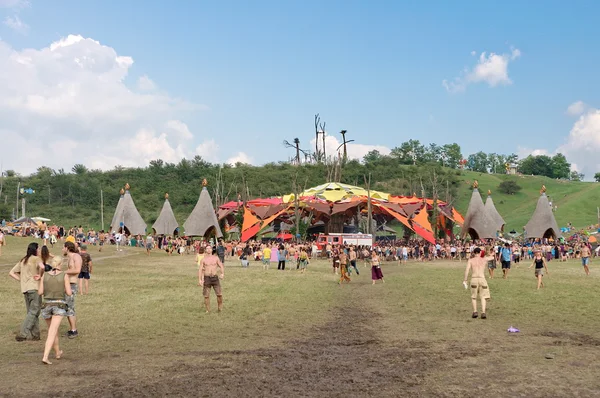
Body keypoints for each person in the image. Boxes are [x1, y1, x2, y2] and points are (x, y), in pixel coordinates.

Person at [38, 257, 72, 365]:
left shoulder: (45, 275)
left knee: (53, 330)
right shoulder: (64, 275)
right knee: (52, 331)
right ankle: (45, 356)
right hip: (59, 305)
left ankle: (57, 352)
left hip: (46, 305)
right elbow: (69, 292)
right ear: (60, 264)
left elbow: (40, 292)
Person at [9, 242, 45, 341]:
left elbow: (11, 272)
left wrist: (21, 279)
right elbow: (42, 267)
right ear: (35, 249)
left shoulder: (23, 260)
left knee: (32, 312)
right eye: (38, 249)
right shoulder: (36, 259)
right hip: (34, 287)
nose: (39, 251)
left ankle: (35, 335)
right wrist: (41, 275)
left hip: (25, 288)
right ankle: (23, 333)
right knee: (34, 311)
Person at [463, 247, 493, 319]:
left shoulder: (471, 260)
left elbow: (467, 270)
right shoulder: (484, 259)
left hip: (474, 279)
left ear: (474, 253)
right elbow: (492, 257)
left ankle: (475, 311)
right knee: (483, 296)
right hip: (482, 279)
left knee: (474, 297)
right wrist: (486, 252)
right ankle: (483, 312)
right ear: (480, 252)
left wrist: (465, 280)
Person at [63, 242, 82, 338]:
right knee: (67, 307)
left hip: (72, 285)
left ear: (67, 248)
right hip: (67, 284)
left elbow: (77, 270)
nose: (62, 249)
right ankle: (71, 329)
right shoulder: (69, 258)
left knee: (70, 307)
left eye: (63, 247)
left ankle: (74, 330)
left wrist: (63, 272)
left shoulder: (76, 257)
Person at [198, 245, 225, 313]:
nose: (209, 250)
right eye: (207, 248)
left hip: (215, 278)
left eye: (210, 248)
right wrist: (200, 280)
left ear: (212, 250)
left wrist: (222, 273)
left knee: (219, 294)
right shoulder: (203, 259)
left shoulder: (216, 258)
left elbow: (221, 266)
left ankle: (220, 308)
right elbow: (200, 270)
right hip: (207, 278)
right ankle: (208, 310)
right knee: (206, 296)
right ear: (205, 250)